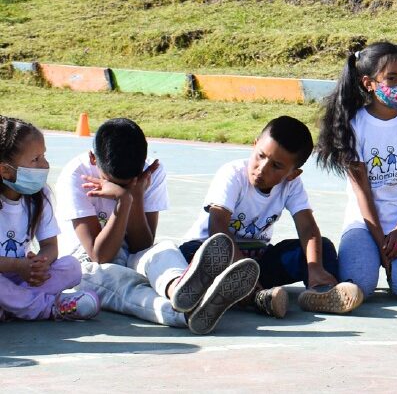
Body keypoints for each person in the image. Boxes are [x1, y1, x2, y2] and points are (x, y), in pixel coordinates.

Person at [56, 117, 258, 334]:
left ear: (144, 160)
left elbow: (142, 244)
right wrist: (124, 200)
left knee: (162, 251)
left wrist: (136, 195)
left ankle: (177, 286)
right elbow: (100, 255)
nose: (119, 186)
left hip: (126, 251)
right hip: (83, 265)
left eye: (128, 183)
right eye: (112, 181)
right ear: (92, 158)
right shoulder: (76, 175)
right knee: (124, 285)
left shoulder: (149, 173)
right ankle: (187, 313)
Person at [181, 116, 363, 317]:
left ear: (293, 174)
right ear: (255, 144)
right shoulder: (232, 175)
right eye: (260, 156)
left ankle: (321, 291)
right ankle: (252, 297)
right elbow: (218, 227)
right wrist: (243, 275)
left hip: (257, 259)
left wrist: (315, 267)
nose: (262, 168)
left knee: (321, 248)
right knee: (196, 257)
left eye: (276, 166)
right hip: (211, 253)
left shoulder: (291, 185)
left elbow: (307, 229)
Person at [316, 42, 397, 303]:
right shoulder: (354, 126)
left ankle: (394, 268)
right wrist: (379, 241)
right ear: (369, 83)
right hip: (364, 224)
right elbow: (362, 193)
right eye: (392, 78)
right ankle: (365, 259)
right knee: (359, 286)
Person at [0, 116, 99, 321]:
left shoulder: (39, 196)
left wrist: (40, 264)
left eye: (43, 156)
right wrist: (19, 266)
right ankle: (48, 308)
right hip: (8, 274)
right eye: (35, 160)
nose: (45, 164)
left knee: (71, 266)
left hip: (23, 277)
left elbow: (50, 246)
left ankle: (13, 307)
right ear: (5, 170)